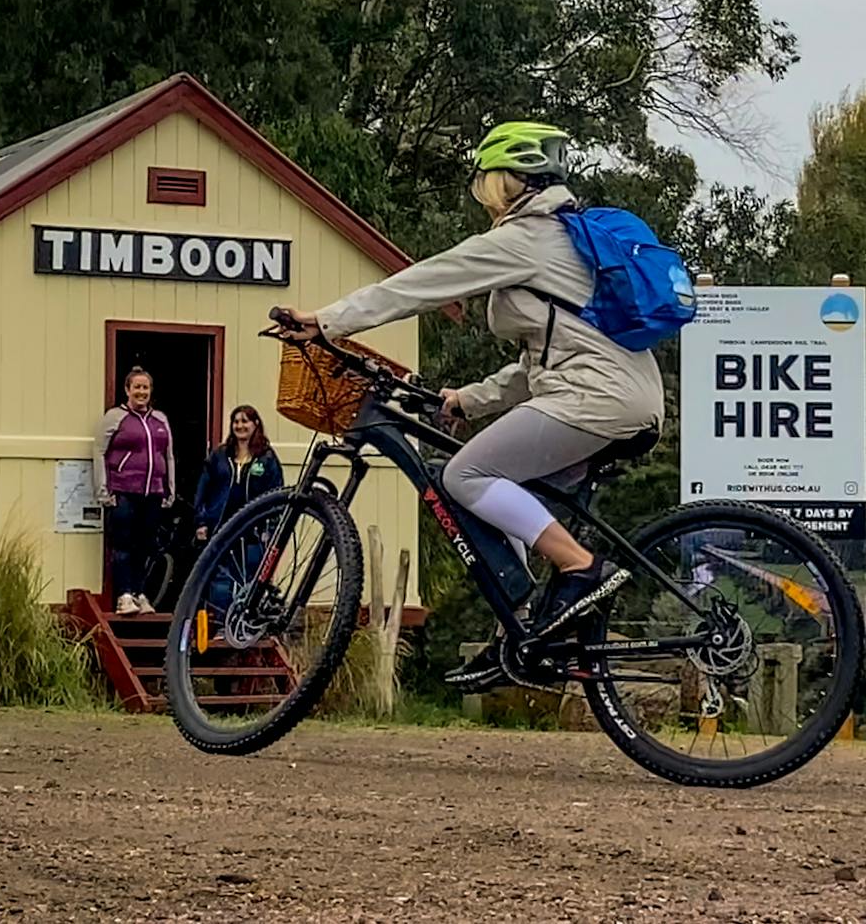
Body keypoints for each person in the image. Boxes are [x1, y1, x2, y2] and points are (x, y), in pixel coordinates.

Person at [276, 121, 664, 686]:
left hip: (594, 398)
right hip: (616, 395)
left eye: (486, 182)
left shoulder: (525, 239)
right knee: (499, 491)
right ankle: (524, 626)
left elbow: (424, 283)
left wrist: (329, 322)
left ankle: (581, 565)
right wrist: (471, 399)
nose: (483, 196)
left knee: (465, 474)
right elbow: (546, 358)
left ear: (510, 181)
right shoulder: (565, 239)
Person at [96, 367, 176, 615]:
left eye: (145, 387)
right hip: (123, 490)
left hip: (152, 491)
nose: (141, 392)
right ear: (127, 390)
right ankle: (124, 595)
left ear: (151, 391)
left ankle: (140, 594)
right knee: (123, 544)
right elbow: (99, 452)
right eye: (137, 387)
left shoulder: (160, 419)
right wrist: (102, 490)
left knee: (146, 545)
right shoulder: (115, 417)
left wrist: (169, 489)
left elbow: (168, 456)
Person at [193, 405, 284, 543]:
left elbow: (277, 494)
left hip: (253, 533)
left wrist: (270, 529)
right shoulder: (219, 455)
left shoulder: (267, 458)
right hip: (218, 530)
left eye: (245, 421)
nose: (240, 426)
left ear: (256, 424)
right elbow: (202, 491)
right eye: (236, 422)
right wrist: (201, 522)